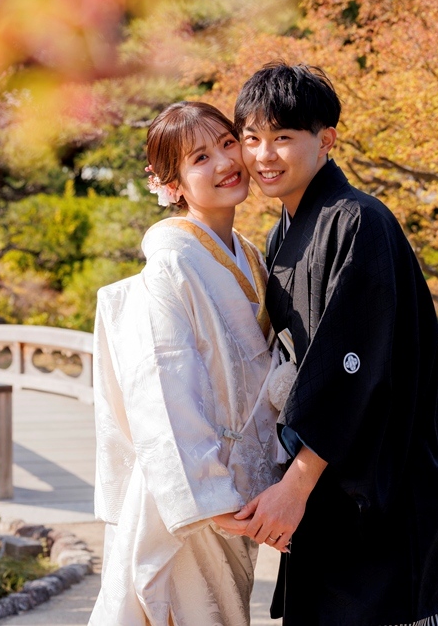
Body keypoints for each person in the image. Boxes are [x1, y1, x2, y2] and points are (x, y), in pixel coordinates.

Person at [215, 62, 438, 625]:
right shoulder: (281, 235)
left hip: (381, 483)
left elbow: (355, 371)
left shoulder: (360, 222)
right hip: (325, 483)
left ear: (326, 141)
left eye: (282, 138)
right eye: (251, 138)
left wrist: (294, 486)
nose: (263, 155)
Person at [90, 101, 284, 625]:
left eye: (227, 143)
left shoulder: (251, 256)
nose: (225, 162)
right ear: (172, 183)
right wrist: (208, 494)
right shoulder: (171, 263)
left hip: (236, 484)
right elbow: (161, 385)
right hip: (192, 493)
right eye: (200, 157)